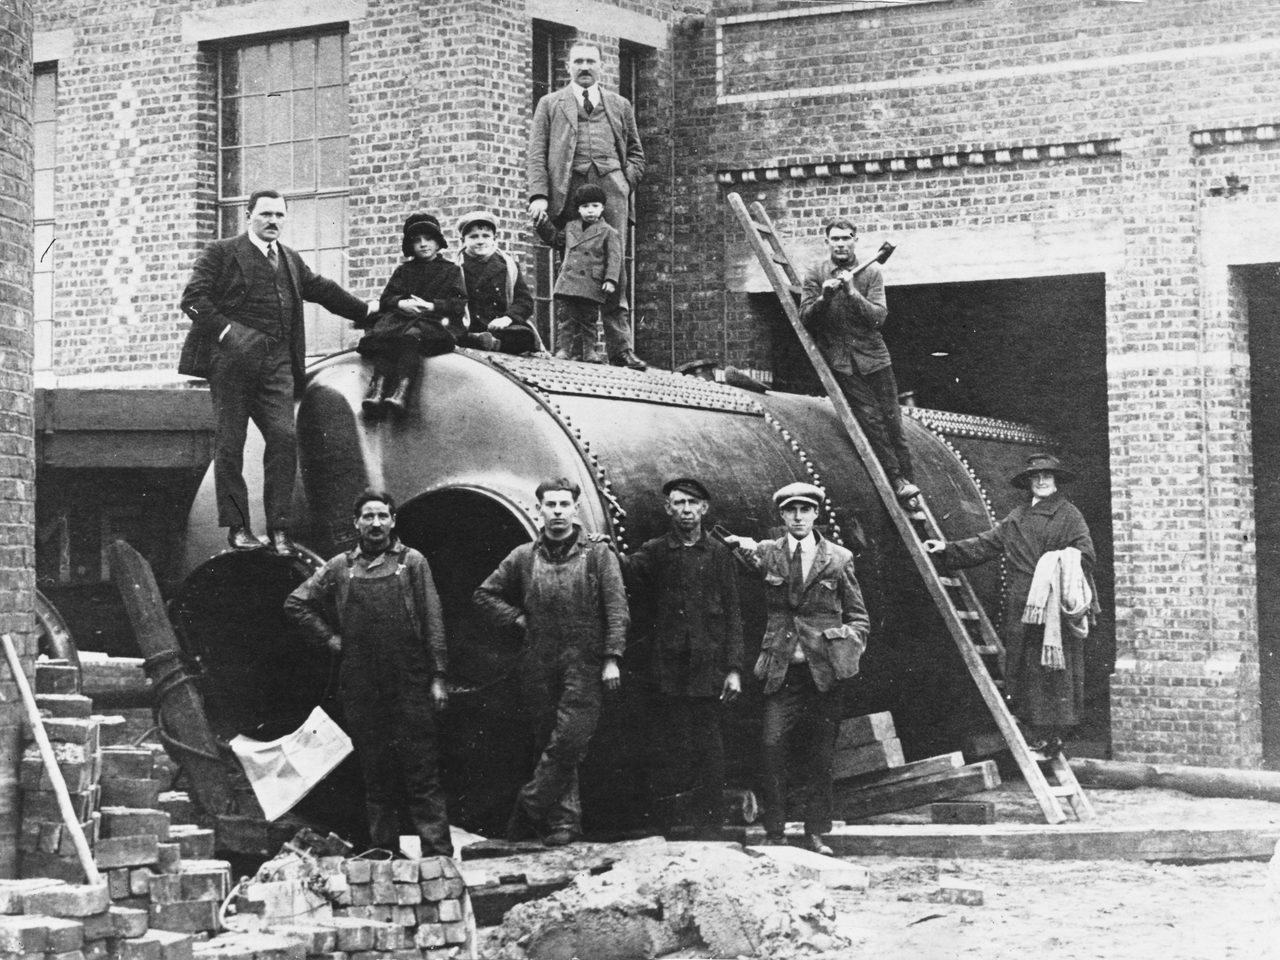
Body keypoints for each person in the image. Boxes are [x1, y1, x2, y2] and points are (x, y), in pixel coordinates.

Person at [179, 189, 376, 554]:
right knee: (230, 445)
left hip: (278, 368)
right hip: (231, 366)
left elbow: (322, 289)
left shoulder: (290, 259)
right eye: (266, 214)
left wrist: (367, 312)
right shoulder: (221, 253)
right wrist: (227, 333)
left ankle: (279, 529)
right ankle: (238, 528)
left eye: (279, 215)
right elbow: (192, 300)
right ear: (248, 215)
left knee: (285, 440)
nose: (273, 221)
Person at [283, 490, 452, 856]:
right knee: (377, 774)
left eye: (382, 516)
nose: (376, 523)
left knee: (421, 771)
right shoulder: (341, 567)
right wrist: (329, 639)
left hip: (410, 680)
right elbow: (297, 602)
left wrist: (438, 677)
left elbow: (433, 619)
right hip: (361, 684)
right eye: (368, 516)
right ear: (356, 523)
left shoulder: (413, 563)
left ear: (393, 521)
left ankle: (437, 853)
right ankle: (383, 850)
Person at [472, 477, 629, 846]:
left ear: (575, 509)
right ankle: (564, 823)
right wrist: (517, 618)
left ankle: (527, 809)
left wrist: (612, 657)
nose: (557, 512)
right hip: (539, 662)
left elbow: (617, 607)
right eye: (550, 505)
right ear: (539, 509)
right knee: (549, 741)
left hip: (585, 661)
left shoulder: (597, 554)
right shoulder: (524, 557)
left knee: (569, 741)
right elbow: (484, 595)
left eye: (564, 505)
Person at [724, 482, 870, 855]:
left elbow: (859, 617)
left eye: (805, 510)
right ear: (782, 516)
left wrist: (845, 649)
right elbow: (732, 548)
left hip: (824, 674)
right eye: (791, 511)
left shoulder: (838, 557)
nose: (798, 517)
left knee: (820, 753)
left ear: (816, 514)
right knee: (772, 746)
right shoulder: (768, 553)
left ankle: (815, 832)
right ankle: (774, 832)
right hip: (781, 671)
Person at [923, 453, 1097, 756]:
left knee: (1052, 670)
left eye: (1047, 476)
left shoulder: (1069, 515)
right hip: (1023, 604)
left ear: (1056, 481)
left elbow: (1085, 554)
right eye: (1036, 477)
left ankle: (1052, 738)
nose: (1042, 481)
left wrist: (1055, 564)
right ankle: (1034, 733)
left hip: (1052, 605)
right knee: (1023, 665)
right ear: (1029, 482)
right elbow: (986, 543)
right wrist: (946, 550)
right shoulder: (1017, 517)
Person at [620, 478, 743, 838]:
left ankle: (709, 825)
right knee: (667, 744)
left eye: (692, 503)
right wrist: (604, 549)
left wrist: (734, 669)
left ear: (704, 508)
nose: (686, 510)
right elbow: (627, 569)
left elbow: (735, 614)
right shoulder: (656, 551)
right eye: (678, 503)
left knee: (710, 746)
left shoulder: (720, 555)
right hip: (668, 670)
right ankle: (667, 826)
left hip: (708, 669)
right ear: (667, 509)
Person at [527, 40, 646, 371]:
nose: (584, 67)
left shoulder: (620, 105)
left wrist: (624, 183)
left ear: (600, 67)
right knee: (571, 267)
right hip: (569, 190)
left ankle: (620, 349)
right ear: (568, 66)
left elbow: (637, 152)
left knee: (614, 267)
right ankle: (570, 348)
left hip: (612, 191)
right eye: (577, 61)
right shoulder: (550, 104)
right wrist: (539, 194)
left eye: (590, 61)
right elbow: (536, 153)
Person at [799, 218, 919, 506]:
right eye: (835, 239)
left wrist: (851, 292)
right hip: (842, 362)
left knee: (893, 420)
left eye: (846, 238)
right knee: (871, 419)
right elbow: (805, 318)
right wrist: (824, 299)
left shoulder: (872, 272)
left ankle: (910, 484)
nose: (841, 243)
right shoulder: (815, 274)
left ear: (855, 240)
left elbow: (878, 317)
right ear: (826, 242)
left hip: (875, 358)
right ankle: (896, 479)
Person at [356, 214, 466, 418]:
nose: (423, 245)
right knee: (385, 338)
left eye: (428, 239)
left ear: (438, 242)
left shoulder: (451, 271)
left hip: (434, 323)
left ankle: (401, 392)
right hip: (403, 319)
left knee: (410, 337)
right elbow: (387, 298)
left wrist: (431, 305)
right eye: (416, 240)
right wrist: (400, 303)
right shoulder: (404, 270)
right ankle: (378, 391)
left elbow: (458, 303)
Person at [535, 184, 623, 363]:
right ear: (578, 209)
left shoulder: (608, 232)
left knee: (589, 320)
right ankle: (563, 350)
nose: (590, 211)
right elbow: (555, 240)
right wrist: (543, 224)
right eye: (585, 207)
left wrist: (610, 280)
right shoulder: (570, 227)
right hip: (569, 281)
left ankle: (590, 352)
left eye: (595, 206)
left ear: (602, 207)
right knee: (566, 318)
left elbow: (614, 259)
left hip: (591, 282)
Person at [453, 210, 544, 355]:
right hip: (469, 326)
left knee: (524, 336)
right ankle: (476, 339)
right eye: (474, 237)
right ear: (463, 241)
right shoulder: (455, 269)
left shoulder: (508, 266)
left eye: (486, 236)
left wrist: (507, 318)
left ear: (494, 239)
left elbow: (524, 301)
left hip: (500, 328)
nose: (481, 241)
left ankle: (492, 343)